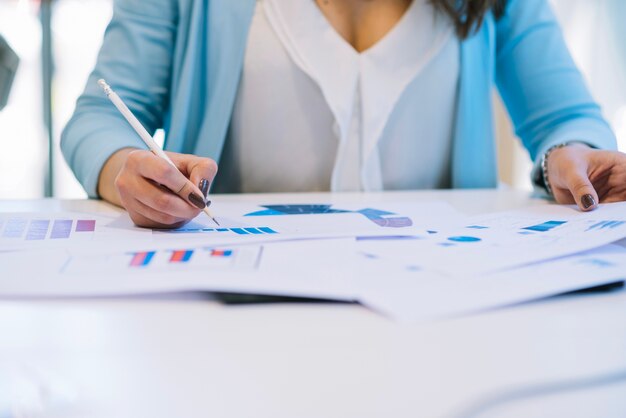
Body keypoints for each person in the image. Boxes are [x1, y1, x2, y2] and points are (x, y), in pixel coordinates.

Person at [62, 0, 626, 229]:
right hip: (235, 307)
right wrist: (125, 168)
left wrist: (570, 153)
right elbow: (98, 117)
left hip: (443, 309)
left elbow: (567, 115)